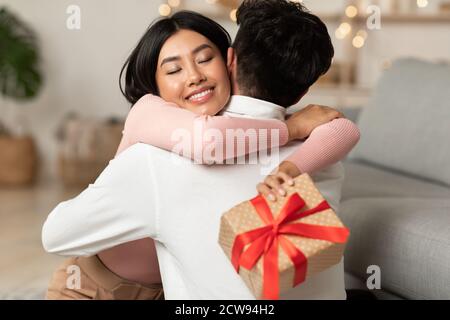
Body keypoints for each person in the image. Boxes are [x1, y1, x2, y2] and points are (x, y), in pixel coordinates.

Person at [43, 0, 360, 300]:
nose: (194, 77)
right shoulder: (154, 124)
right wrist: (290, 132)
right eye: (173, 70)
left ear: (229, 61)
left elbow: (343, 129)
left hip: (166, 288)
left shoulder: (273, 137)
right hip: (98, 282)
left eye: (205, 59)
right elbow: (208, 141)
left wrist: (289, 163)